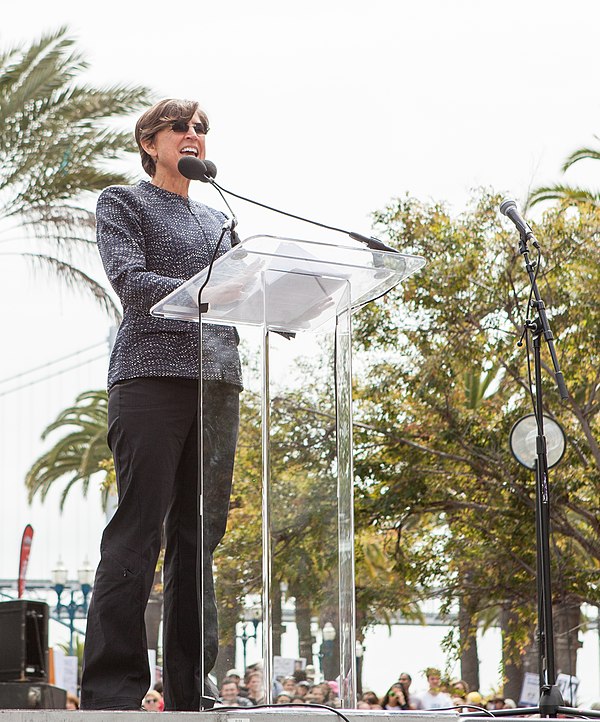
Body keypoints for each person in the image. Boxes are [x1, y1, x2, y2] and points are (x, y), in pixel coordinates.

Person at [80, 98, 243, 711]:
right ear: (150, 143)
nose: (194, 135)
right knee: (139, 529)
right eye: (181, 127)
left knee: (199, 536)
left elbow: (245, 289)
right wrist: (205, 292)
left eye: (202, 127)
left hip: (218, 381)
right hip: (151, 378)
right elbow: (129, 280)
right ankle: (113, 688)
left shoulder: (221, 219)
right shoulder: (123, 202)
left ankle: (187, 688)